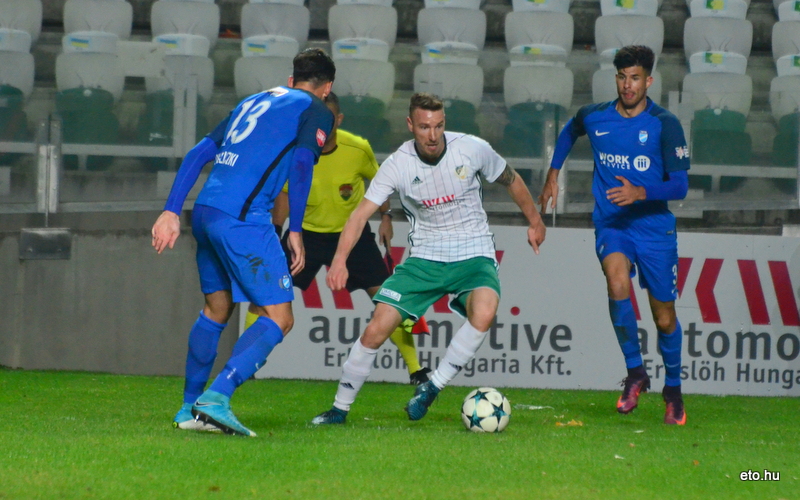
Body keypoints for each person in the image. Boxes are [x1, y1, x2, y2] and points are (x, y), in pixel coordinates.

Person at [311, 92, 547, 425]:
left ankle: (432, 387)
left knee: (485, 312)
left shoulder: (472, 148)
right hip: (425, 258)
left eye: (438, 126)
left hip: (473, 252)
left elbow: (512, 180)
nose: (432, 135)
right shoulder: (398, 164)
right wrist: (339, 261)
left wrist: (535, 221)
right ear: (411, 125)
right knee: (376, 330)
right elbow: (359, 215)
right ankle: (339, 409)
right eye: (424, 127)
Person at [151, 48, 336, 437]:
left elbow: (201, 152)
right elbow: (302, 164)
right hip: (243, 219)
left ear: (291, 79)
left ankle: (188, 408)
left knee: (216, 309)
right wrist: (297, 230)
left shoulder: (253, 100)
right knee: (279, 318)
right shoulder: (317, 109)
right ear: (327, 87)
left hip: (205, 211)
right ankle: (216, 398)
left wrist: (171, 210)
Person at [539, 45, 690, 425]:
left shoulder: (664, 123)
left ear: (648, 80)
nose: (627, 85)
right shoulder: (596, 117)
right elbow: (569, 131)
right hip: (613, 225)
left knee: (665, 318)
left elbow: (681, 186)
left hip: (654, 228)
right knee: (616, 281)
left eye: (635, 77)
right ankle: (636, 372)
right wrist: (553, 172)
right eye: (622, 77)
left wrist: (641, 192)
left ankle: (673, 390)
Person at [243, 92, 432, 385]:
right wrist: (275, 231)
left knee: (389, 301)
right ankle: (247, 364)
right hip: (303, 236)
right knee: (265, 295)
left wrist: (385, 217)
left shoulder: (357, 149)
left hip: (352, 236)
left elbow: (381, 182)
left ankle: (416, 371)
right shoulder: (297, 150)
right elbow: (283, 195)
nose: (321, 125)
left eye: (328, 119)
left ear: (339, 120)